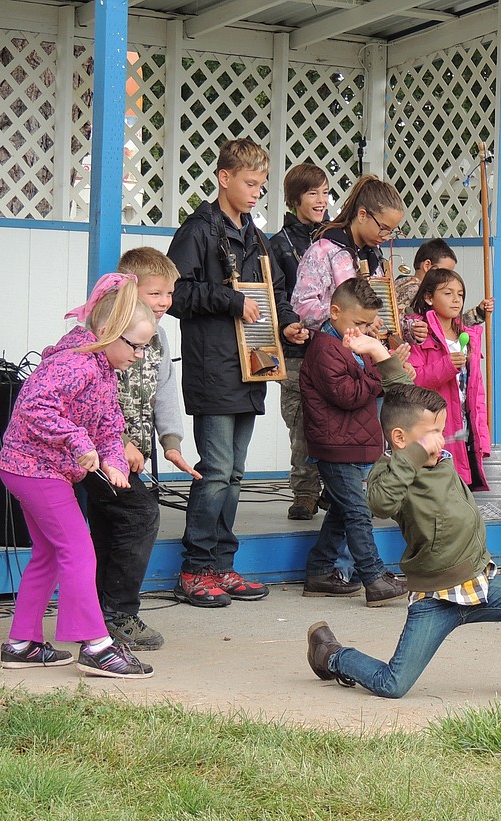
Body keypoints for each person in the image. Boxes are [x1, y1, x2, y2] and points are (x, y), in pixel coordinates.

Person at [306, 385, 501, 698]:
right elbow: (380, 503)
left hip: (478, 587)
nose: (440, 439)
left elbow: (404, 395)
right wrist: (415, 451)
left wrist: (376, 350)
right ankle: (332, 656)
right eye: (432, 434)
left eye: (441, 431)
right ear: (401, 440)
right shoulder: (391, 475)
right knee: (392, 685)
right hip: (435, 599)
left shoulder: (441, 460)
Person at [167, 138, 309, 608]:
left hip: (253, 365)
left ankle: (221, 567)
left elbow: (277, 291)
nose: (255, 192)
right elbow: (176, 295)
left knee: (235, 473)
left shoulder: (256, 236)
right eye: (249, 183)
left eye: (261, 185)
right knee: (217, 471)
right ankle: (195, 568)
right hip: (213, 367)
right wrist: (231, 300)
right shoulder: (198, 230)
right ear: (224, 178)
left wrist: (286, 323)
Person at [0, 278, 155, 678]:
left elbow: (109, 425)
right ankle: (96, 645)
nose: (139, 355)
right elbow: (34, 406)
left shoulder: (102, 369)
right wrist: (79, 442)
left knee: (49, 553)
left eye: (145, 346)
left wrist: (114, 461)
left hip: (36, 469)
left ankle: (21, 643)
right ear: (106, 333)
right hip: (33, 467)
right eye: (134, 345)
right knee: (80, 549)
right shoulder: (77, 363)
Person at [77, 252, 198, 651]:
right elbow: (94, 398)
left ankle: (94, 615)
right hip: (96, 453)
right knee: (141, 514)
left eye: (169, 293)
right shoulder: (104, 333)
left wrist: (172, 442)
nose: (165, 301)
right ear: (129, 288)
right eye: (156, 292)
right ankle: (118, 613)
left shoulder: (158, 335)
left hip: (125, 453)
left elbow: (164, 390)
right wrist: (120, 442)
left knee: (110, 530)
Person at [299, 277, 413, 606]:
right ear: (334, 312)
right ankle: (374, 577)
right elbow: (349, 395)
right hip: (335, 445)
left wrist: (381, 362)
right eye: (358, 322)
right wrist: (380, 367)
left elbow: (365, 388)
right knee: (358, 512)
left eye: (367, 323)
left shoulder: (352, 345)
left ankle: (319, 572)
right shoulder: (324, 348)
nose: (363, 329)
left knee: (342, 509)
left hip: (351, 441)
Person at [268, 162, 331, 521]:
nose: (321, 200)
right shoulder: (278, 244)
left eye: (325, 191)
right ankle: (305, 491)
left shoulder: (335, 240)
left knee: (335, 420)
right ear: (294, 199)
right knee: (302, 422)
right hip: (295, 349)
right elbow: (274, 295)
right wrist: (288, 325)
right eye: (312, 193)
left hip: (334, 346)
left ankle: (332, 487)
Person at [405, 267, 490, 489]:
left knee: (461, 490)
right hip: (435, 428)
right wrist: (446, 366)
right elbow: (412, 382)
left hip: (465, 427)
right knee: (438, 488)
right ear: (428, 297)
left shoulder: (469, 335)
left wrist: (482, 435)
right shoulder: (419, 333)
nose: (456, 300)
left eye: (460, 294)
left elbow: (476, 391)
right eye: (447, 293)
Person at [290, 174, 404, 333]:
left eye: (392, 231)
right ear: (362, 214)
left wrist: (409, 327)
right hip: (334, 352)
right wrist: (356, 317)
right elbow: (302, 307)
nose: (386, 236)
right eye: (383, 228)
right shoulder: (323, 252)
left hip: (369, 354)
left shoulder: (376, 258)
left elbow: (386, 314)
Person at [394, 238, 491, 342]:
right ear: (427, 265)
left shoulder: (400, 284)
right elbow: (444, 325)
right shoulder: (417, 291)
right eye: (444, 272)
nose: (449, 277)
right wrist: (477, 314)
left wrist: (478, 313)